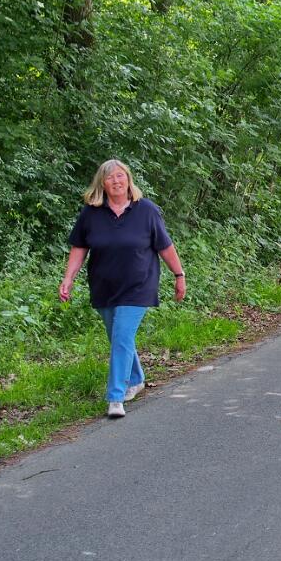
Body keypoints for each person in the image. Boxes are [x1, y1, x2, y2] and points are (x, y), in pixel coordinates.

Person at [59, 160, 186, 419]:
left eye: (120, 176)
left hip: (139, 285)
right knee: (118, 337)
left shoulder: (146, 210)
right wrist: (68, 278)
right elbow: (79, 249)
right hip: (104, 285)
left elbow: (165, 246)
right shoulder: (91, 213)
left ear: (128, 179)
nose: (116, 181)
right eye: (110, 178)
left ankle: (115, 397)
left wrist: (179, 274)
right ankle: (137, 378)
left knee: (121, 335)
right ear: (102, 184)